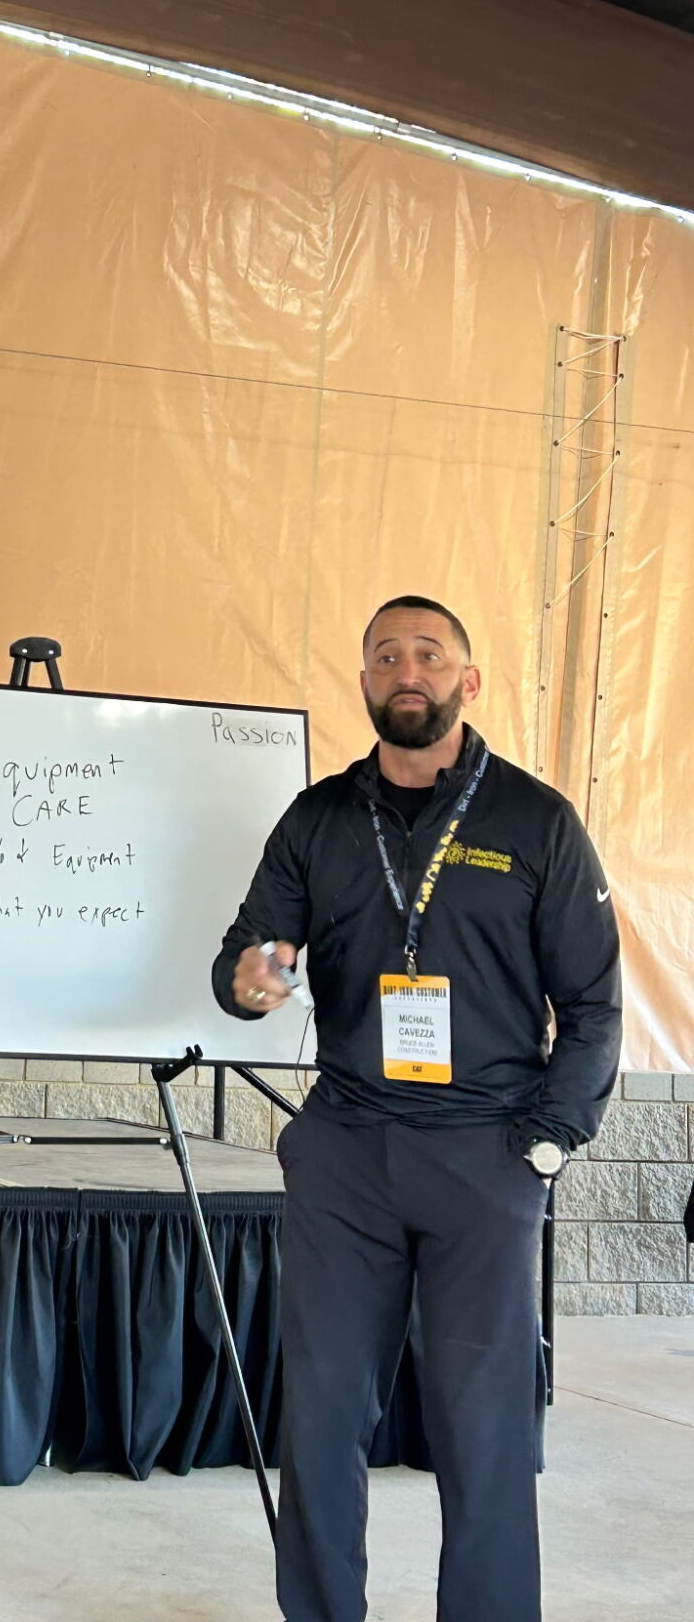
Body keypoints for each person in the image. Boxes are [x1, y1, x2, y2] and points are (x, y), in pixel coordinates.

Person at [212, 596, 621, 1622]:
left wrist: (545, 1144)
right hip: (347, 1147)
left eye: (429, 654)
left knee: (482, 1423)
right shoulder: (318, 818)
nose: (408, 669)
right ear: (362, 682)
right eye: (385, 654)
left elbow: (593, 1002)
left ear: (467, 681)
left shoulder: (536, 822)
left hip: (485, 1152)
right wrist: (250, 977)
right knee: (320, 1414)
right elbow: (249, 945)